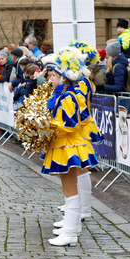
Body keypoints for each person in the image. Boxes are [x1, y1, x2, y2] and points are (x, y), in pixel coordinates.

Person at [41, 48, 98, 247]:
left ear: (64, 78)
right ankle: (71, 228)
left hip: (68, 146)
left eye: (54, 75)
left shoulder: (68, 97)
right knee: (69, 189)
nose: (50, 79)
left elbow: (71, 123)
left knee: (70, 189)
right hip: (65, 144)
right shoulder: (63, 94)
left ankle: (71, 232)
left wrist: (46, 125)